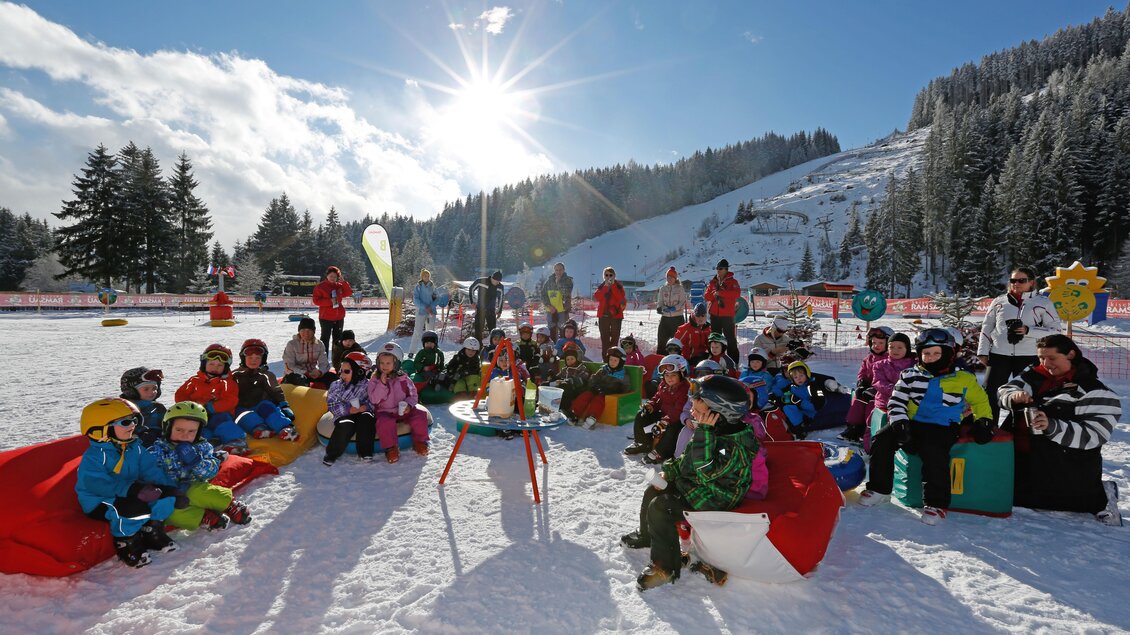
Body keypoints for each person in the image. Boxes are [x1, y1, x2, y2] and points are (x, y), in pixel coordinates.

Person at [620, 375, 759, 591]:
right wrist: (669, 473)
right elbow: (687, 460)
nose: (692, 412)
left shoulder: (733, 447)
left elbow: (706, 470)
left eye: (697, 409)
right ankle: (648, 536)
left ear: (718, 414)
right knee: (652, 492)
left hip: (717, 497)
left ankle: (665, 569)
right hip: (699, 486)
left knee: (662, 506)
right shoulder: (709, 430)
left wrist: (704, 432)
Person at [861, 328, 992, 525]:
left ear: (947, 354)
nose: (930, 358)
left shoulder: (963, 378)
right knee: (881, 438)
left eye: (936, 353)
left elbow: (980, 401)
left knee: (934, 452)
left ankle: (936, 503)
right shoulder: (909, 375)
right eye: (926, 353)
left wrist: (983, 422)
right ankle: (880, 488)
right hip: (911, 422)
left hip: (942, 426)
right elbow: (896, 401)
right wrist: (899, 422)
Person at [997, 334, 1122, 526]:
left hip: (1065, 467)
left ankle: (1103, 494)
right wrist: (1013, 396)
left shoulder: (1096, 391)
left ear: (1071, 355)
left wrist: (1052, 426)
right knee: (1011, 497)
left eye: (1052, 358)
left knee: (1069, 502)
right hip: (1023, 462)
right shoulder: (1034, 373)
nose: (1045, 363)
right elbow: (1004, 390)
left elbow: (1094, 436)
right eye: (1041, 358)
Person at [75, 398, 178, 568]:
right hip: (99, 500)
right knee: (130, 508)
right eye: (125, 422)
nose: (132, 426)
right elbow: (96, 484)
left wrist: (167, 487)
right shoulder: (95, 456)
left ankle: (152, 532)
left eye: (134, 421)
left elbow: (150, 469)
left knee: (165, 498)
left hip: (131, 491)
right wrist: (132, 489)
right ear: (101, 430)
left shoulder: (134, 447)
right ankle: (126, 542)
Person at [152, 401, 252, 530]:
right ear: (167, 428)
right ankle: (203, 517)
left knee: (199, 492)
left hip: (195, 485)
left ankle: (229, 504)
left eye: (191, 431)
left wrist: (196, 461)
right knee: (170, 513)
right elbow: (149, 470)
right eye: (179, 430)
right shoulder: (158, 449)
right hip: (171, 492)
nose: (185, 435)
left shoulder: (202, 447)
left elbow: (212, 471)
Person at [977, 266, 1061, 420]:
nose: (1016, 283)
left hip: (1028, 356)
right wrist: (982, 351)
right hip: (998, 354)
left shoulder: (1043, 302)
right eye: (1013, 280)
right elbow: (987, 326)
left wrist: (1028, 330)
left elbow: (1055, 330)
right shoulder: (999, 301)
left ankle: (1021, 429)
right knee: (990, 392)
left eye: (1021, 280)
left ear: (1031, 282)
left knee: (1026, 393)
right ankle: (988, 427)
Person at [175, 344, 247, 455]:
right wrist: (189, 406)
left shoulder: (227, 383)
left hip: (219, 414)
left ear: (226, 367)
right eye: (211, 364)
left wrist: (211, 407)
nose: (215, 367)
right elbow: (180, 394)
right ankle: (205, 446)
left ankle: (235, 442)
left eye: (219, 365)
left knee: (221, 421)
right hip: (197, 415)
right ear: (204, 364)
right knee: (198, 429)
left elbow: (231, 400)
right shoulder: (194, 380)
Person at [367, 342, 430, 463]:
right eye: (381, 363)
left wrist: (409, 405)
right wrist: (382, 384)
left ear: (396, 364)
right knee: (383, 423)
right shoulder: (374, 380)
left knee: (420, 415)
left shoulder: (404, 379)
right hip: (385, 411)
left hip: (403, 410)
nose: (384, 366)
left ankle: (420, 442)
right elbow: (374, 399)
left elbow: (413, 394)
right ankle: (391, 448)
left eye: (388, 363)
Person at [231, 339, 299, 441]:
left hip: (261, 403)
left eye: (257, 358)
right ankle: (259, 429)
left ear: (263, 359)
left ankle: (285, 428)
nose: (253, 360)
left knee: (270, 409)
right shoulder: (235, 375)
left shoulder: (266, 375)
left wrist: (284, 405)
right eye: (250, 357)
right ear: (243, 358)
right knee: (244, 415)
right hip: (242, 406)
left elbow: (276, 390)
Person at [626, 354, 690, 457]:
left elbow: (678, 410)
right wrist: (650, 405)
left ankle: (661, 452)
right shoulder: (663, 385)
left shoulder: (684, 389)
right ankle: (643, 443)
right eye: (667, 375)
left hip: (676, 420)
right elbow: (657, 398)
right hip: (664, 416)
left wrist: (665, 421)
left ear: (681, 374)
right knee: (641, 415)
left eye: (673, 375)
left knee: (671, 429)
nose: (669, 378)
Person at [324, 352, 377, 465]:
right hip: (344, 415)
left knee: (367, 418)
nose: (342, 374)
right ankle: (331, 453)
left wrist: (366, 407)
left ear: (360, 371)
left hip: (362, 413)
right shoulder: (336, 385)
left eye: (346, 371)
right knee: (346, 424)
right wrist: (348, 409)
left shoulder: (368, 386)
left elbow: (375, 401)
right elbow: (332, 404)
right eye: (341, 371)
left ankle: (365, 452)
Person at [841, 326, 893, 443]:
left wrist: (875, 389)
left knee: (871, 405)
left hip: (881, 393)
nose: (876, 345)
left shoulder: (889, 360)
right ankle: (854, 427)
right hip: (868, 389)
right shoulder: (869, 358)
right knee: (858, 400)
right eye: (874, 342)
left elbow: (889, 379)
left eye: (880, 343)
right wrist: (862, 383)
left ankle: (867, 429)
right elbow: (862, 372)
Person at [867, 332, 916, 452]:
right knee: (880, 421)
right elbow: (878, 382)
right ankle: (873, 448)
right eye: (892, 347)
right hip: (886, 401)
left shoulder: (914, 365)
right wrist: (898, 390)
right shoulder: (879, 365)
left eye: (900, 347)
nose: (895, 350)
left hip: (910, 401)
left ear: (907, 349)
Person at [568, 346, 630, 429]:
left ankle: (591, 418)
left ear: (621, 362)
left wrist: (617, 389)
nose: (612, 362)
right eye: (611, 359)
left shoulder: (623, 374)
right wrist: (594, 385)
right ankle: (574, 413)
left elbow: (626, 387)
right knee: (586, 394)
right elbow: (594, 378)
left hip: (607, 394)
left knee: (598, 400)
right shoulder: (604, 369)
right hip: (597, 389)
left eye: (615, 360)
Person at [704, 259, 741, 362]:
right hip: (714, 314)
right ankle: (715, 360)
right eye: (717, 269)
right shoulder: (712, 282)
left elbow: (736, 294)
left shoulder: (733, 282)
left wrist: (721, 293)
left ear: (726, 269)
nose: (718, 271)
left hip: (728, 315)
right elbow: (707, 296)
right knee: (715, 339)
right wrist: (714, 294)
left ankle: (733, 362)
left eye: (720, 269)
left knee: (730, 339)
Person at [119, 367, 167, 447]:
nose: (152, 392)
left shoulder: (158, 408)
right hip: (131, 448)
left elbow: (168, 428)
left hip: (157, 447)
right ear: (131, 391)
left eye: (154, 388)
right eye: (146, 389)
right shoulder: (121, 409)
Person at [282, 317, 335, 389]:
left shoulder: (319, 344)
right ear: (299, 331)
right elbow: (289, 366)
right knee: (302, 380)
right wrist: (305, 373)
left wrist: (319, 372)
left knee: (332, 378)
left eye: (309, 330)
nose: (306, 333)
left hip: (312, 373)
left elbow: (324, 364)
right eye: (303, 330)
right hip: (295, 374)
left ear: (313, 332)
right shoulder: (292, 344)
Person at [312, 265, 353, 354]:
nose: (332, 278)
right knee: (325, 338)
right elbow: (316, 301)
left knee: (338, 339)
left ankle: (337, 359)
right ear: (327, 276)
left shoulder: (339, 286)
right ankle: (324, 359)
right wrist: (330, 301)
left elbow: (349, 292)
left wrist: (344, 282)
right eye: (331, 276)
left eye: (335, 277)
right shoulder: (320, 287)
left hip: (339, 317)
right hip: (326, 317)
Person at [548, 343, 592, 421]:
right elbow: (559, 376)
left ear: (576, 359)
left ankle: (564, 409)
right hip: (564, 387)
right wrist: (553, 378)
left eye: (572, 359)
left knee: (564, 386)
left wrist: (569, 380)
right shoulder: (565, 369)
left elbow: (583, 379)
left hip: (577, 390)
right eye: (568, 359)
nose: (570, 361)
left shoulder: (581, 368)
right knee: (549, 385)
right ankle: (546, 406)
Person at [594, 267, 627, 363]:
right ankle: (605, 361)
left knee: (614, 339)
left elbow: (620, 298)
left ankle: (614, 360)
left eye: (610, 275)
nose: (608, 277)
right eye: (606, 275)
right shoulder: (601, 286)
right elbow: (598, 297)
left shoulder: (619, 286)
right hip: (603, 316)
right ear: (603, 276)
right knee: (605, 340)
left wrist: (612, 286)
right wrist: (605, 287)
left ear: (614, 276)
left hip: (616, 316)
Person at [409, 269, 441, 356]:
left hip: (431, 312)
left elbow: (437, 298)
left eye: (428, 276)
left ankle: (431, 350)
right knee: (417, 331)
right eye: (425, 276)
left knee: (430, 332)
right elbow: (415, 299)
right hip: (421, 312)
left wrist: (431, 306)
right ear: (422, 277)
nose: (426, 277)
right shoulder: (418, 286)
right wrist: (425, 307)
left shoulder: (433, 286)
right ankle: (412, 351)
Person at [655, 267, 688, 350]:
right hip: (665, 318)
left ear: (675, 278)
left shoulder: (680, 289)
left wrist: (675, 308)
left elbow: (683, 302)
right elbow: (660, 302)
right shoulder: (663, 289)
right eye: (668, 277)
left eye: (671, 277)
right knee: (662, 340)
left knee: (677, 341)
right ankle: (661, 358)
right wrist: (660, 308)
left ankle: (677, 359)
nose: (669, 279)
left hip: (677, 319)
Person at [541, 262, 574, 341]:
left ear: (564, 270)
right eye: (556, 270)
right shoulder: (549, 281)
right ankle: (553, 349)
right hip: (551, 311)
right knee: (551, 331)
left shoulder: (568, 280)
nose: (558, 272)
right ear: (554, 271)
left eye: (560, 270)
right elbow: (543, 295)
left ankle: (563, 349)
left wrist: (558, 282)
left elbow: (566, 293)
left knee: (563, 331)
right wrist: (549, 305)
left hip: (562, 311)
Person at [470, 270, 505, 341]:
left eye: (499, 281)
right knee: (478, 330)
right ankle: (479, 347)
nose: (497, 282)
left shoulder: (500, 287)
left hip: (491, 310)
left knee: (493, 331)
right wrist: (472, 302)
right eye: (496, 281)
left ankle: (493, 348)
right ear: (492, 278)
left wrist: (499, 311)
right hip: (480, 309)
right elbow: (471, 289)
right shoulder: (481, 281)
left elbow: (501, 299)